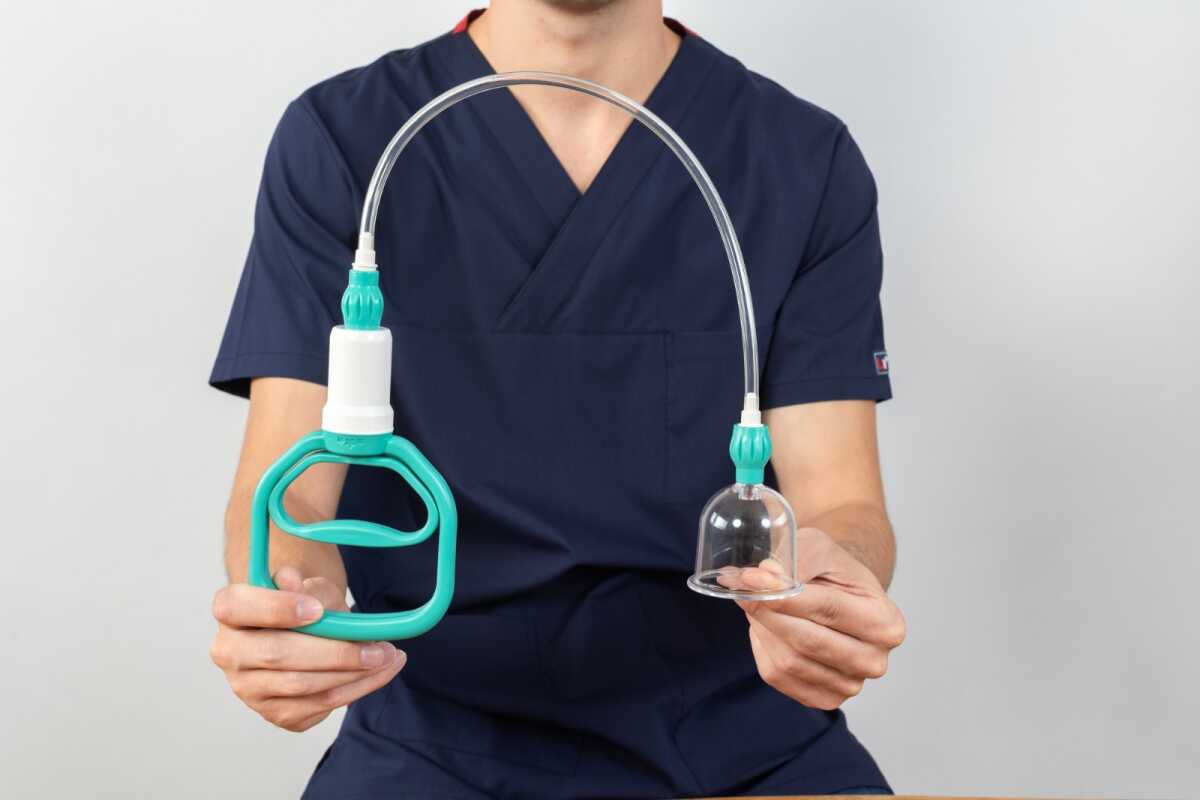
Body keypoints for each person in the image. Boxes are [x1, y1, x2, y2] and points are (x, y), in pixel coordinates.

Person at [208, 2, 906, 797]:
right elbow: (288, 491)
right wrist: (295, 604)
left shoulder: (797, 160)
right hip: (435, 747)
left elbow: (843, 503)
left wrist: (834, 584)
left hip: (745, 744)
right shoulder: (346, 139)